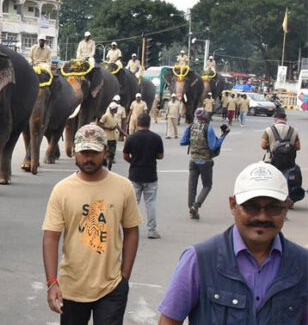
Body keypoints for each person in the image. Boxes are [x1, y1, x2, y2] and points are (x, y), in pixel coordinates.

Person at [158, 162, 307, 324]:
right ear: (233, 205)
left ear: (286, 208)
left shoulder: (303, 264)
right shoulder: (199, 260)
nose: (262, 217)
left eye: (273, 208)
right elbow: (169, 321)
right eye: (251, 207)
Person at [42, 124, 142, 324]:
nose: (88, 158)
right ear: (75, 153)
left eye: (94, 152)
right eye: (83, 152)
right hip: (72, 288)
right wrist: (52, 282)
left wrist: (124, 277)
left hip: (111, 287)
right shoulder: (62, 190)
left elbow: (131, 231)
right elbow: (51, 238)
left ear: (105, 152)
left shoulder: (123, 187)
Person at [180, 108, 229, 220]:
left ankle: (191, 207)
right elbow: (213, 146)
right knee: (207, 185)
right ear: (206, 117)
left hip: (193, 160)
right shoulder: (208, 129)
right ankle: (196, 205)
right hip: (205, 161)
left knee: (192, 185)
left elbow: (182, 142)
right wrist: (223, 136)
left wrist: (193, 141)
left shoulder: (191, 126)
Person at [123, 114, 164, 239]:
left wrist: (134, 161)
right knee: (150, 203)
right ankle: (152, 230)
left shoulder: (131, 138)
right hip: (151, 175)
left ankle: (129, 229)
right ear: (149, 123)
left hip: (135, 175)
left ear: (136, 123)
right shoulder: (156, 138)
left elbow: (125, 155)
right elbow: (160, 156)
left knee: (133, 204)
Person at [98, 103, 124, 170]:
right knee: (106, 153)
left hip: (113, 138)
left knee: (112, 154)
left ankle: (109, 168)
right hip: (106, 138)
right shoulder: (105, 116)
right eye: (116, 109)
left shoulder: (115, 116)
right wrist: (108, 128)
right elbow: (100, 124)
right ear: (113, 109)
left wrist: (124, 133)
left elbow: (117, 126)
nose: (117, 110)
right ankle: (103, 166)